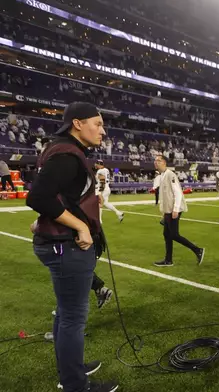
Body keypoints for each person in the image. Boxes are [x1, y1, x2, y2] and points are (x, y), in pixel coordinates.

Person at [25, 102, 118, 392]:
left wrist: (83, 206)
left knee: (66, 313)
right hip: (67, 246)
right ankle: (75, 383)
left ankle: (70, 368)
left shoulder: (62, 149)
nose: (103, 130)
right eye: (98, 124)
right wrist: (79, 225)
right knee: (72, 318)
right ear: (77, 123)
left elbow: (58, 196)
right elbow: (38, 197)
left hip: (57, 244)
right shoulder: (67, 154)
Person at [153, 155, 205, 267]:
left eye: (158, 160)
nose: (155, 162)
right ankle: (168, 260)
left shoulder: (170, 175)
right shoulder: (162, 176)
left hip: (173, 209)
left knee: (174, 235)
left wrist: (175, 209)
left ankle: (197, 250)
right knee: (167, 234)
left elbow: (177, 192)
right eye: (155, 160)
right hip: (168, 210)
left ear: (164, 163)